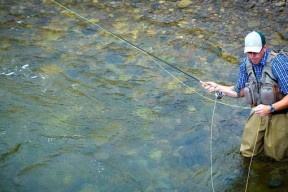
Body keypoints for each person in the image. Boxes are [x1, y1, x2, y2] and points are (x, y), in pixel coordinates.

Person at [202, 31, 288, 161]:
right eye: (249, 53)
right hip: (260, 110)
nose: (252, 57)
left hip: (281, 112)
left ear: (265, 48)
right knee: (247, 150)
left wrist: (270, 108)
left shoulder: (278, 63)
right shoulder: (245, 64)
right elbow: (239, 91)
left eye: (255, 52)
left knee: (276, 155)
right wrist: (218, 88)